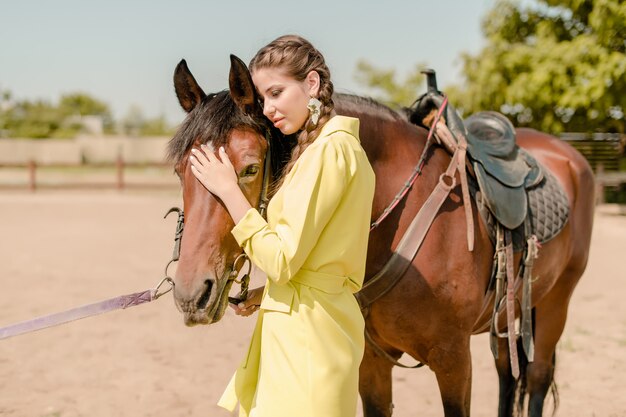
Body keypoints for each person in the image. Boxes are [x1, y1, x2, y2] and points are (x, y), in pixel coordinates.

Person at [188, 34, 375, 417]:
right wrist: (268, 294)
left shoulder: (329, 151)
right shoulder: (318, 151)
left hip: (310, 344)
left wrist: (229, 190)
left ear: (311, 84)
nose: (268, 109)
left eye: (276, 92)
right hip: (302, 327)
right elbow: (308, 255)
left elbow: (281, 259)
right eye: (264, 98)